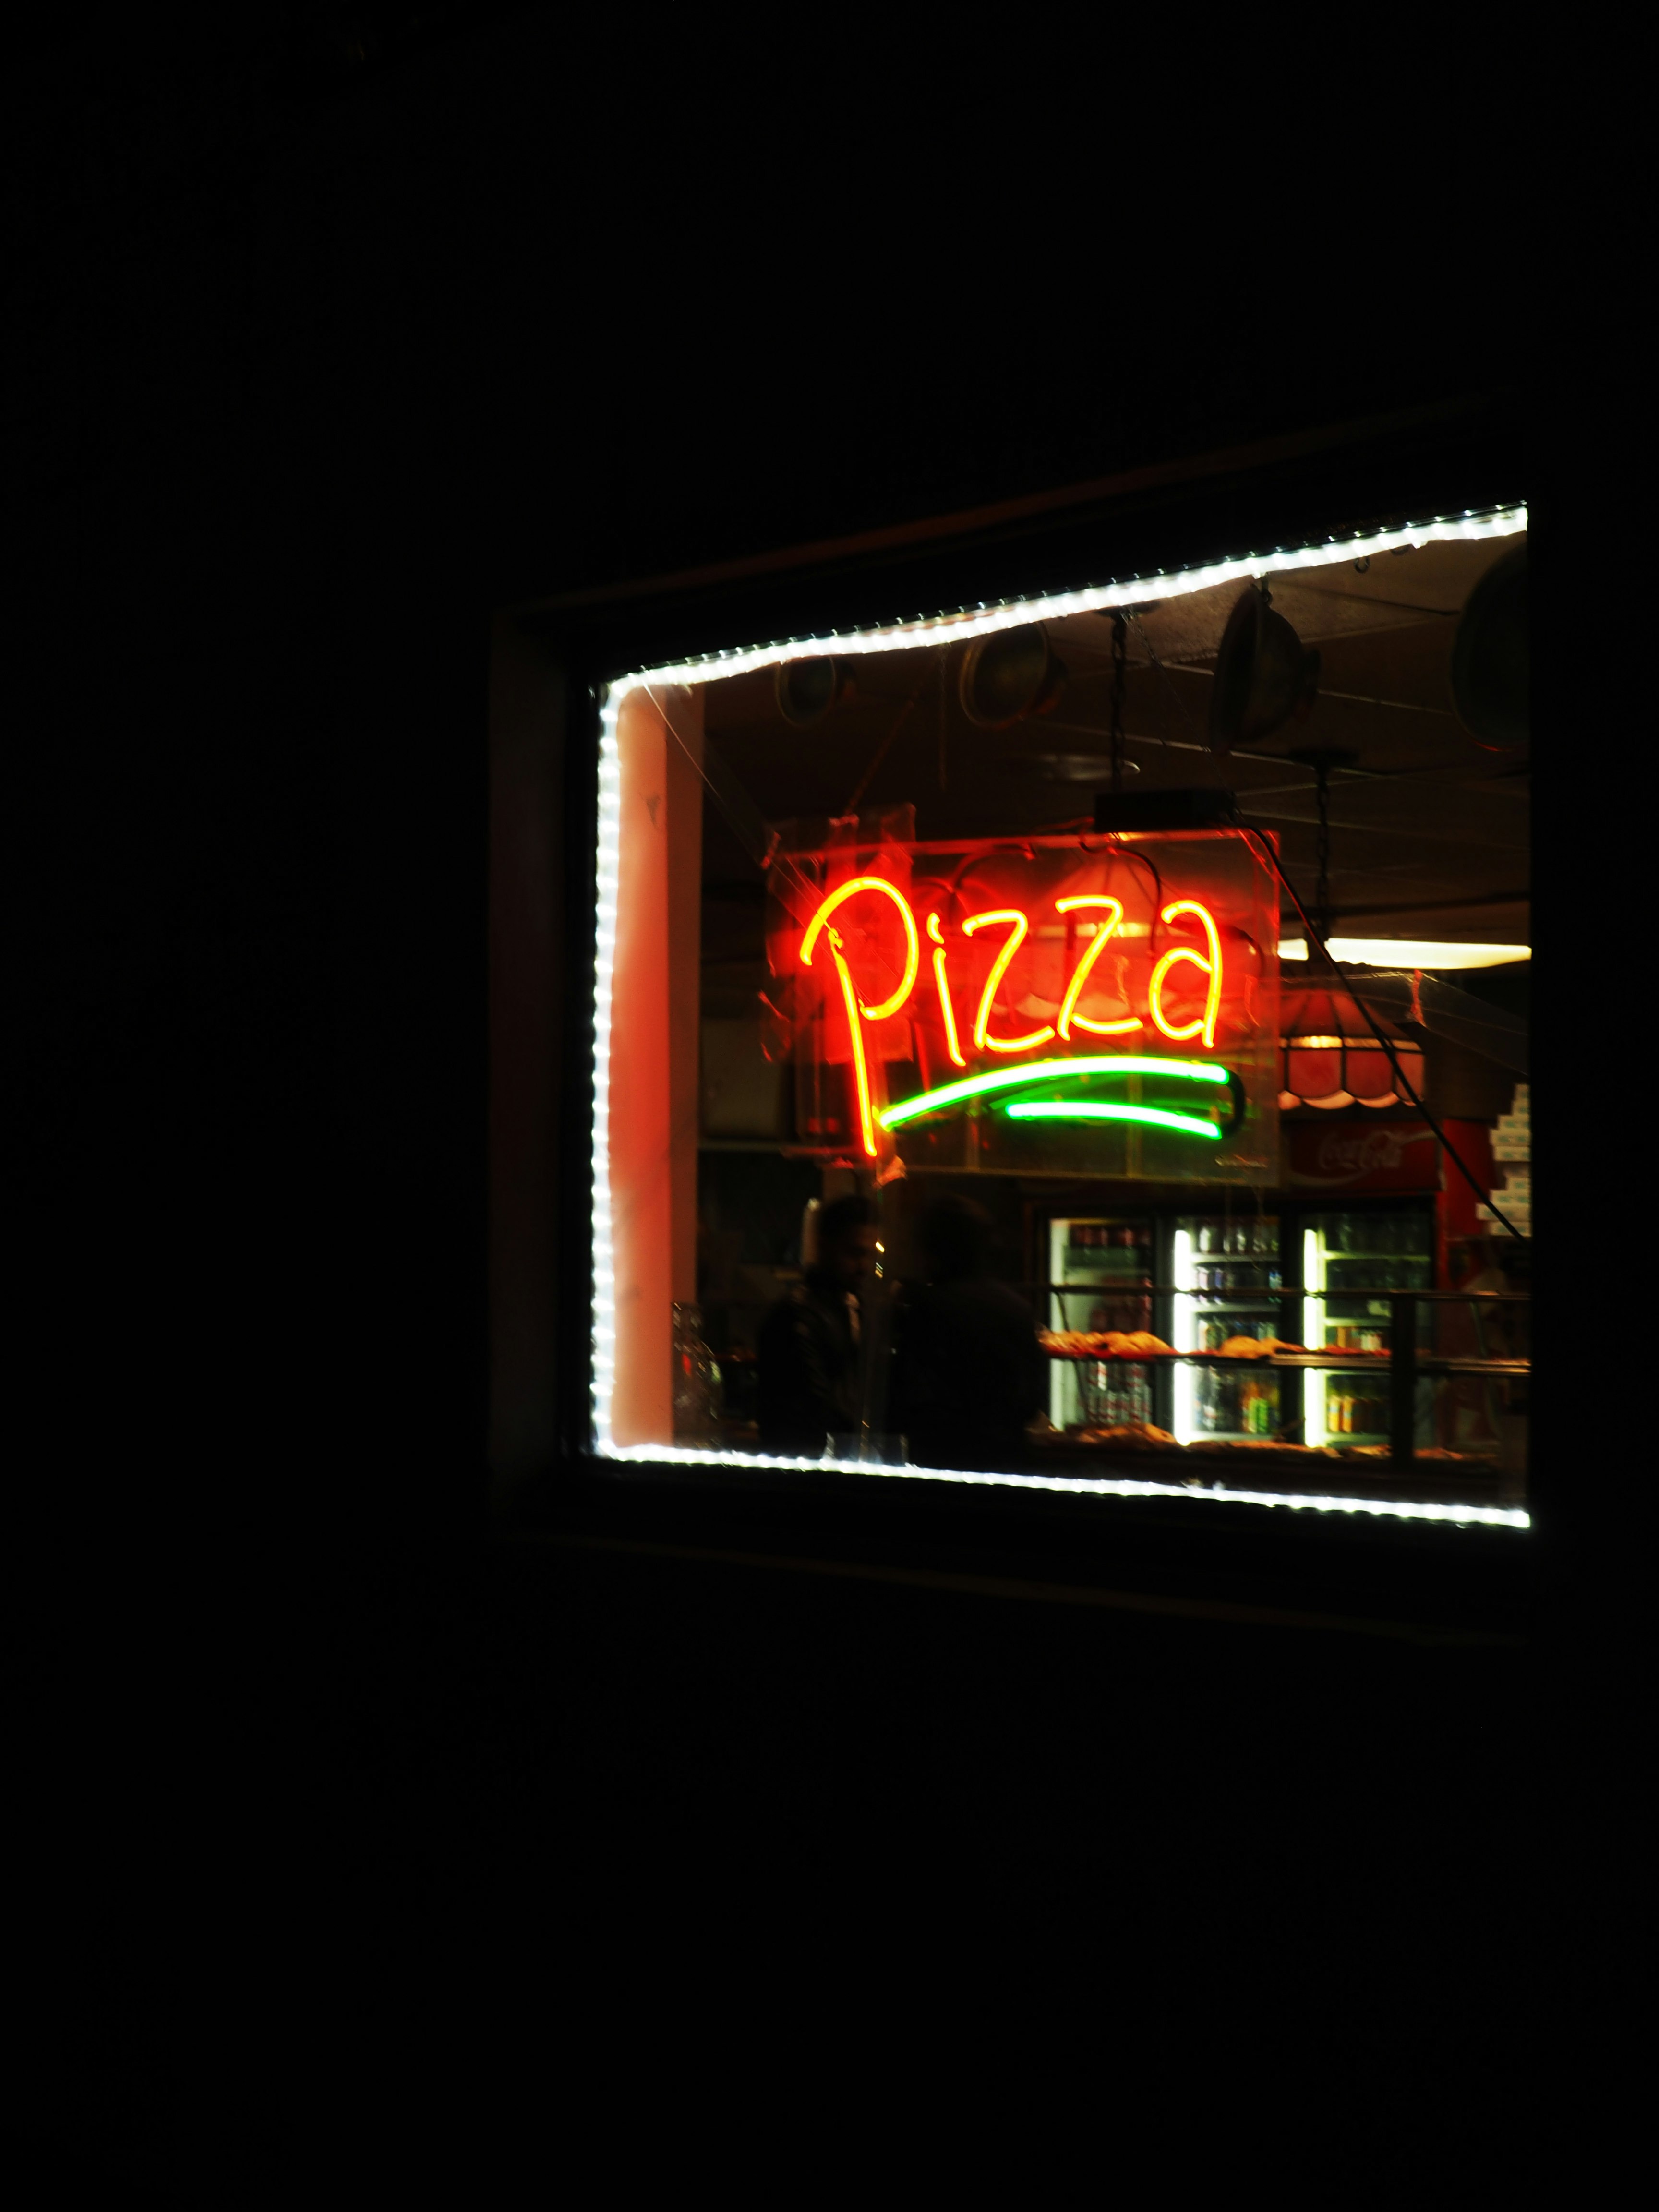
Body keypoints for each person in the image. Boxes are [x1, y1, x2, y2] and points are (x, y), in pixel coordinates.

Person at [889, 1193, 1046, 1472]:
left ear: (936, 1250)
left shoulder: (927, 1308)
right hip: (1007, 1461)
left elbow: (909, 1397)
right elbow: (1031, 1403)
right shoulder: (1017, 1309)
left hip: (941, 1462)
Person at [756, 1194, 877, 1457]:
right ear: (825, 1247)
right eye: (854, 1253)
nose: (864, 1266)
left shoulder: (853, 1307)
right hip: (810, 1465)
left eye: (868, 1254)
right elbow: (813, 1409)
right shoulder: (797, 1315)